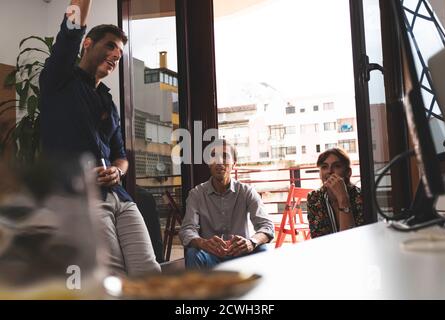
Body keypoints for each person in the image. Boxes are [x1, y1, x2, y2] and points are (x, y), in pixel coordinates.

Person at [39, 0, 160, 276]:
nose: (117, 53)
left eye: (120, 51)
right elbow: (71, 27)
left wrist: (118, 170)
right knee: (111, 277)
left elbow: (121, 155)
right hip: (82, 198)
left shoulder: (108, 102)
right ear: (87, 44)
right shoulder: (58, 80)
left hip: (120, 197)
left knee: (148, 272)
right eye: (110, 45)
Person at [179, 140, 274, 269]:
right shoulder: (196, 194)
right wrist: (204, 243)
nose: (219, 161)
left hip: (241, 254)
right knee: (192, 253)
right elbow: (187, 230)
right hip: (210, 255)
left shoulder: (246, 192)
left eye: (225, 156)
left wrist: (251, 242)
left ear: (234, 163)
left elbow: (267, 226)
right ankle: (197, 289)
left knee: (262, 249)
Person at [307, 148, 364, 238]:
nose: (329, 171)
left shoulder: (360, 196)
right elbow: (318, 240)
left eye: (336, 166)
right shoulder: (314, 197)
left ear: (348, 172)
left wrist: (343, 199)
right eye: (324, 167)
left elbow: (351, 239)